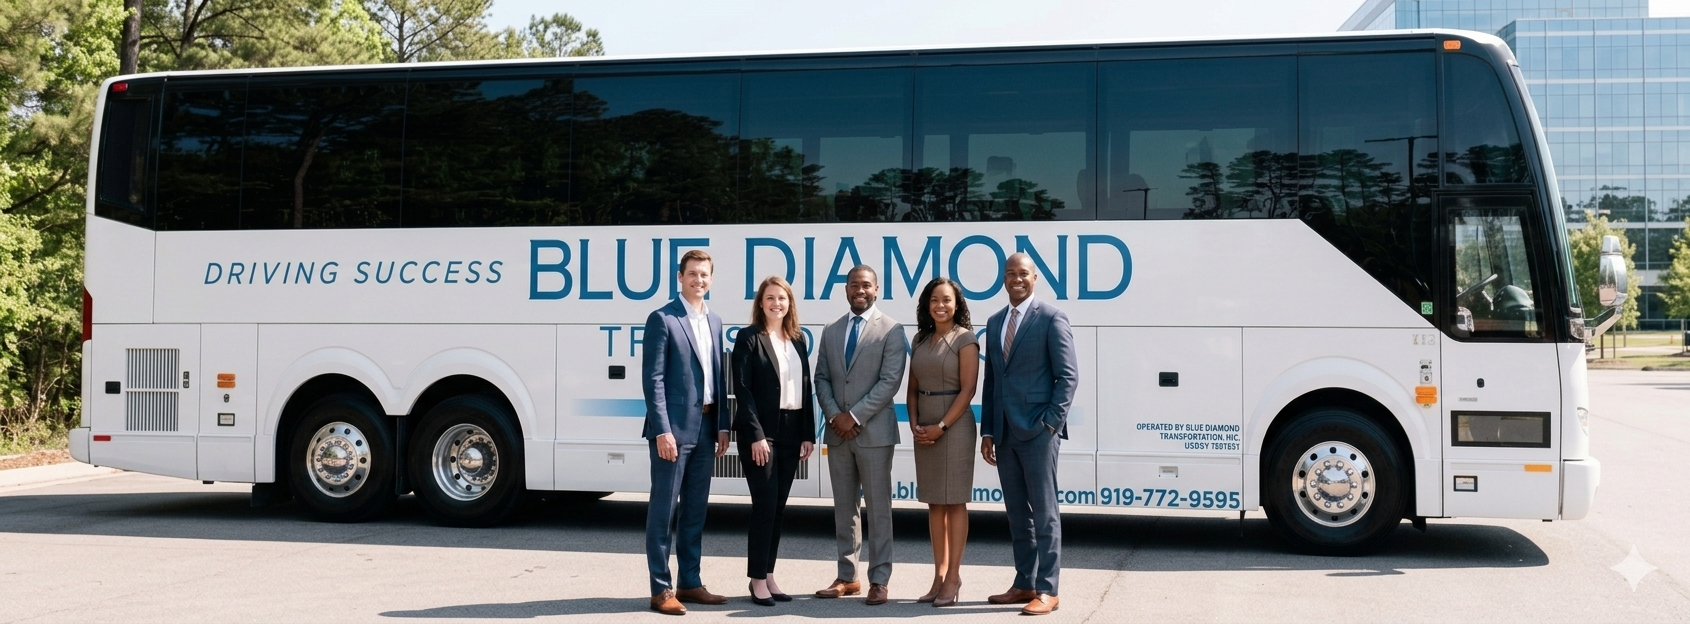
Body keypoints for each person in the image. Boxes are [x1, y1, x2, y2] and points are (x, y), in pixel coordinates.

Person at [980, 253, 1078, 616]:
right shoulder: (994, 322)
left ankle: (1049, 590)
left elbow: (1068, 377)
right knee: (1017, 512)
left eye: (1023, 274)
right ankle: (1025, 582)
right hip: (1004, 433)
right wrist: (987, 431)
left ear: (1035, 278)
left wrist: (1050, 424)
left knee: (1046, 512)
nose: (1016, 279)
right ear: (1003, 279)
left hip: (1038, 432)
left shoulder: (1052, 318)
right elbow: (993, 381)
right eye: (1010, 274)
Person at [640, 249, 731, 616]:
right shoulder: (662, 318)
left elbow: (717, 377)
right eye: (692, 274)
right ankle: (660, 589)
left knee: (695, 511)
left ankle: (690, 582)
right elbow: (654, 379)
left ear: (711, 279)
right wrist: (662, 430)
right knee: (663, 511)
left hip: (707, 428)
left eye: (705, 275)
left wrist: (723, 424)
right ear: (680, 277)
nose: (699, 280)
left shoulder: (715, 320)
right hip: (673, 433)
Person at [812, 265, 908, 606]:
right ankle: (846, 576)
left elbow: (890, 382)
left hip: (874, 434)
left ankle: (879, 580)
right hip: (838, 434)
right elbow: (821, 377)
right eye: (854, 285)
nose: (860, 290)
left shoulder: (893, 330)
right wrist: (834, 416)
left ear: (877, 289)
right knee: (844, 508)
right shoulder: (832, 329)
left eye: (866, 285)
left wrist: (853, 416)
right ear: (846, 289)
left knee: (879, 508)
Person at [731, 276, 817, 607]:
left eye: (781, 298)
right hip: (762, 433)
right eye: (770, 298)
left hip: (793, 430)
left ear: (789, 303)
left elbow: (805, 390)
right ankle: (756, 579)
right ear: (761, 303)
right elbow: (743, 391)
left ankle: (768, 574)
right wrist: (755, 435)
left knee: (779, 507)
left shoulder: (797, 340)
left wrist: (808, 434)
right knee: (765, 504)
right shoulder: (749, 338)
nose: (776, 303)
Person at [905, 277, 980, 608]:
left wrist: (941, 426)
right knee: (935, 502)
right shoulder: (919, 339)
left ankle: (954, 578)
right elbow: (911, 388)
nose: (940, 306)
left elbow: (968, 390)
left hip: (955, 426)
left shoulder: (966, 339)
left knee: (955, 501)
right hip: (924, 427)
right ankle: (938, 576)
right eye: (935, 300)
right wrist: (915, 423)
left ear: (957, 304)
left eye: (947, 300)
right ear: (927, 304)